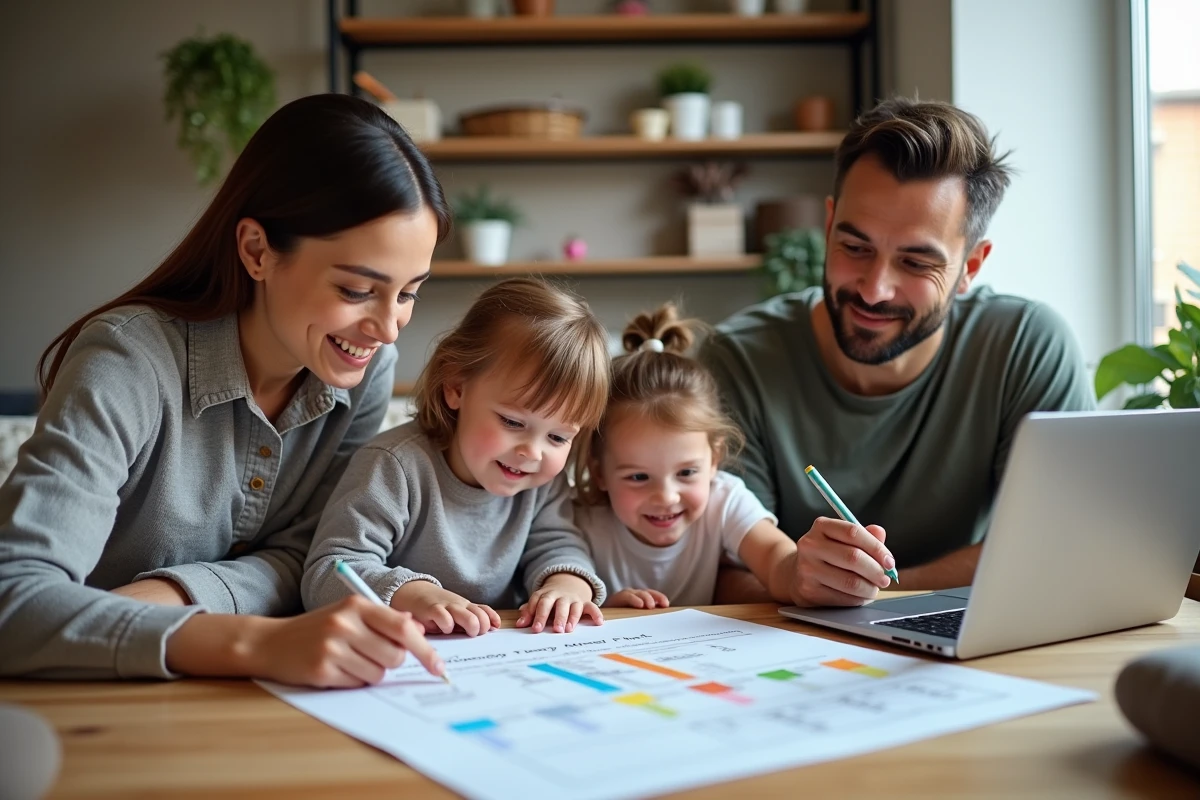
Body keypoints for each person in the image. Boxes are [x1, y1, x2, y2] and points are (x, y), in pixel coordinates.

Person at [0, 94, 448, 687]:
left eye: (410, 292)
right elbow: (13, 601)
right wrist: (252, 638)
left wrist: (169, 595)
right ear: (257, 251)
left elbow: (312, 558)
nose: (388, 327)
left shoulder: (365, 369)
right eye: (357, 290)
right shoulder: (126, 360)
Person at [700, 97, 1096, 608]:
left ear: (971, 266)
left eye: (914, 262)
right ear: (828, 225)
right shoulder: (737, 361)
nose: (873, 289)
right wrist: (791, 575)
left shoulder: (1026, 346)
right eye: (855, 248)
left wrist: (879, 594)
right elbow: (719, 572)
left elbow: (1059, 543)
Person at [302, 277, 609, 636]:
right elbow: (328, 571)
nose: (532, 452)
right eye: (512, 421)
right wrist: (414, 595)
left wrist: (567, 585)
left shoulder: (543, 483)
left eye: (558, 436)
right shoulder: (393, 465)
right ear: (456, 386)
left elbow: (560, 546)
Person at [573, 303, 807, 609]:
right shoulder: (580, 521)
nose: (666, 497)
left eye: (686, 473)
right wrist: (605, 606)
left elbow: (778, 560)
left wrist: (808, 573)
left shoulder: (725, 500)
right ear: (599, 471)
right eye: (638, 477)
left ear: (714, 459)